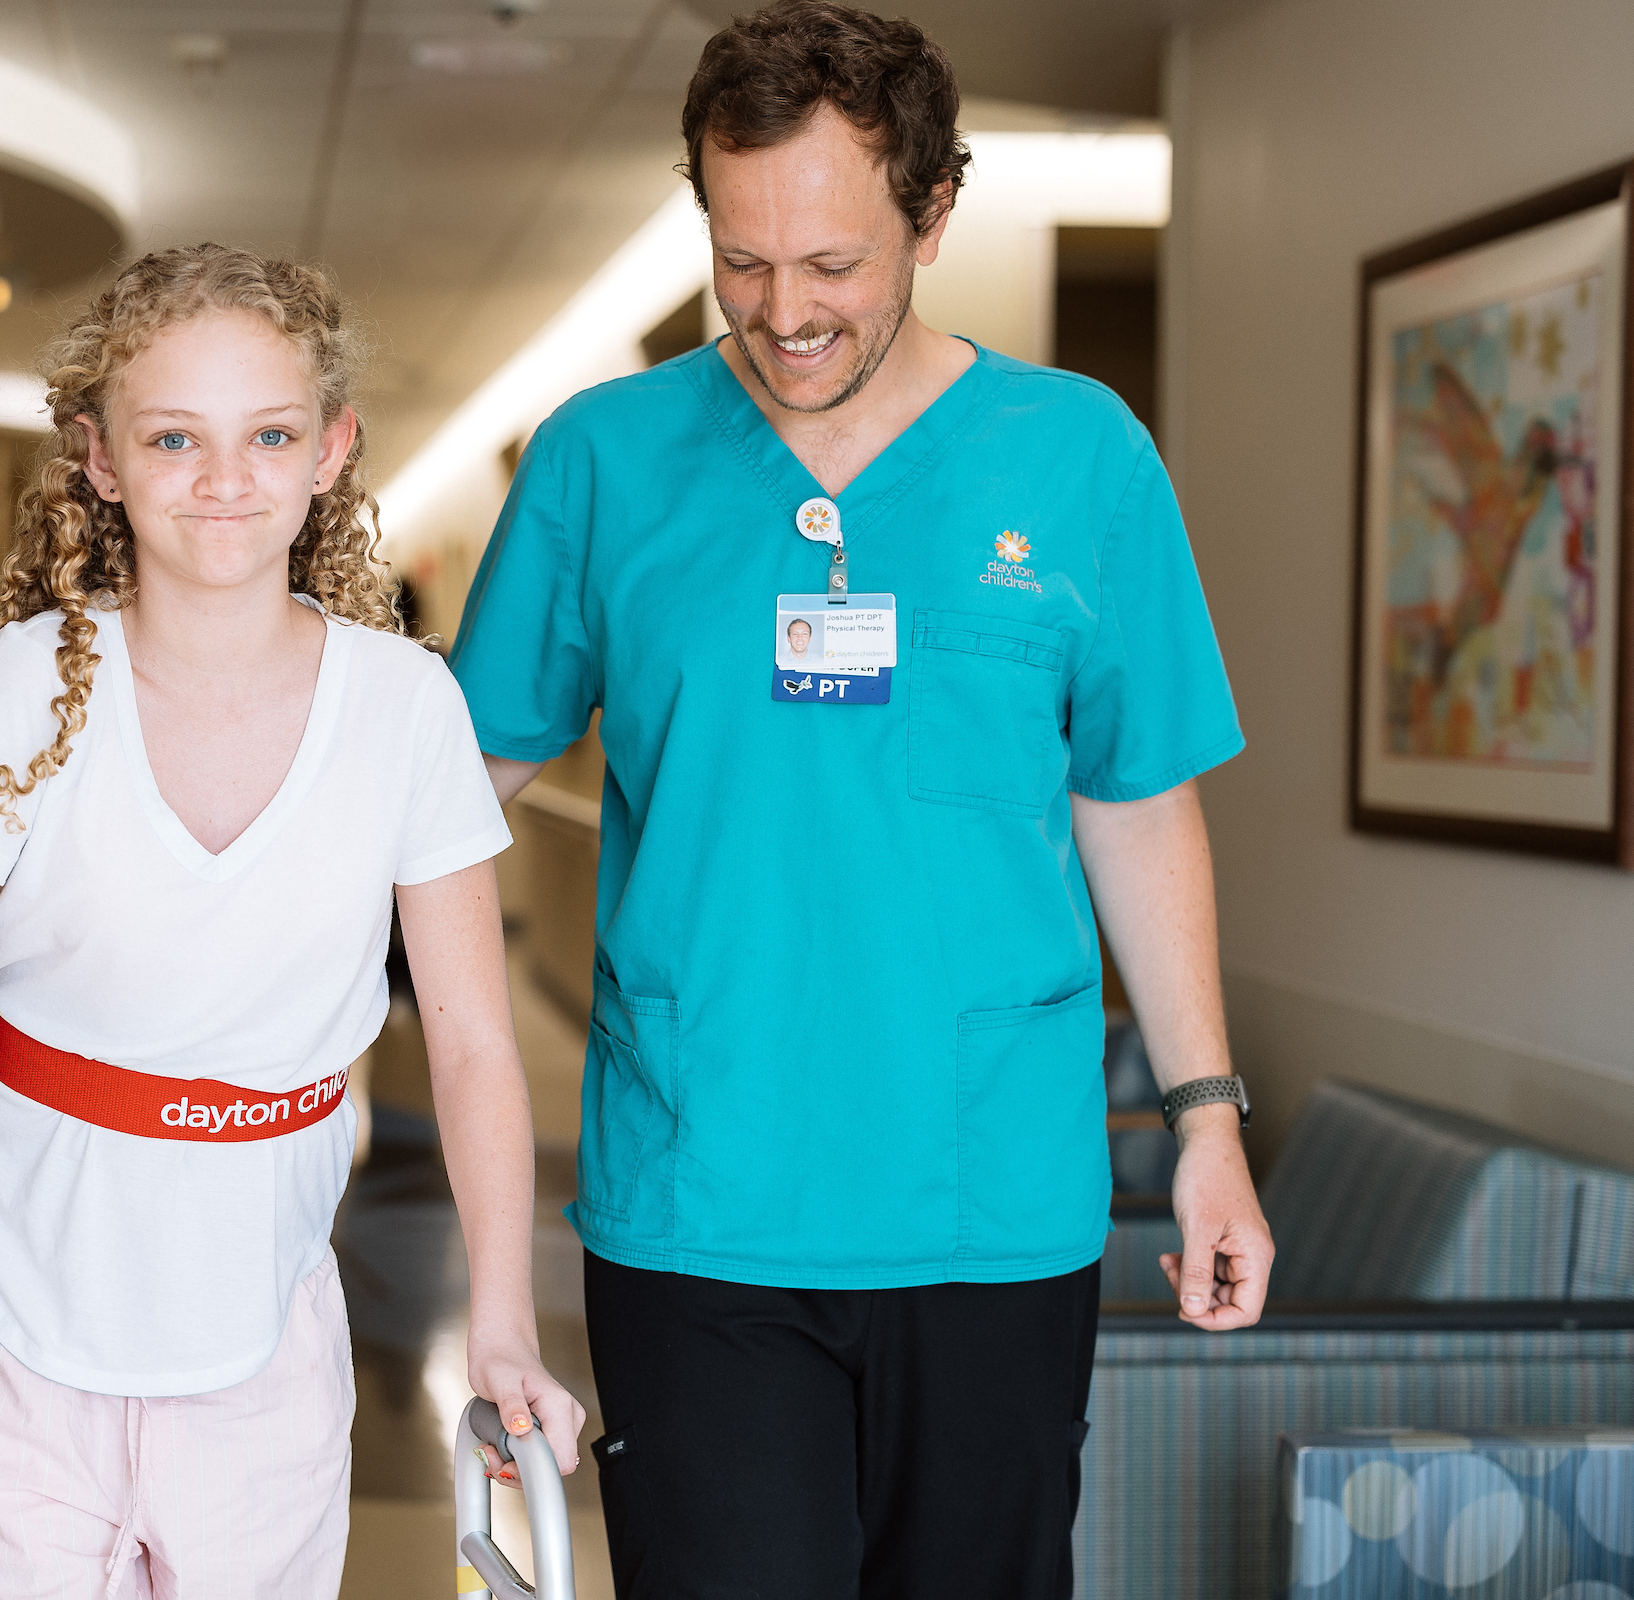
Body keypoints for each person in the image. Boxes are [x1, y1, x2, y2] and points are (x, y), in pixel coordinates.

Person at [445, 7, 1273, 1597]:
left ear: (934, 215)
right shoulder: (603, 460)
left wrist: (1206, 1126)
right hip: (701, 1200)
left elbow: (1136, 802)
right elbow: (456, 784)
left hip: (992, 1201)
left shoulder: (1078, 456)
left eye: (832, 264)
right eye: (739, 261)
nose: (781, 312)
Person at [0, 245, 584, 1600]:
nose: (223, 479)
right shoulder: (37, 685)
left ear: (330, 453)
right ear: (100, 458)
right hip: (20, 1311)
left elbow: (471, 1044)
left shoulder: (405, 709)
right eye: (173, 437)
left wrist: (507, 1331)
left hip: (262, 1325)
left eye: (269, 435)